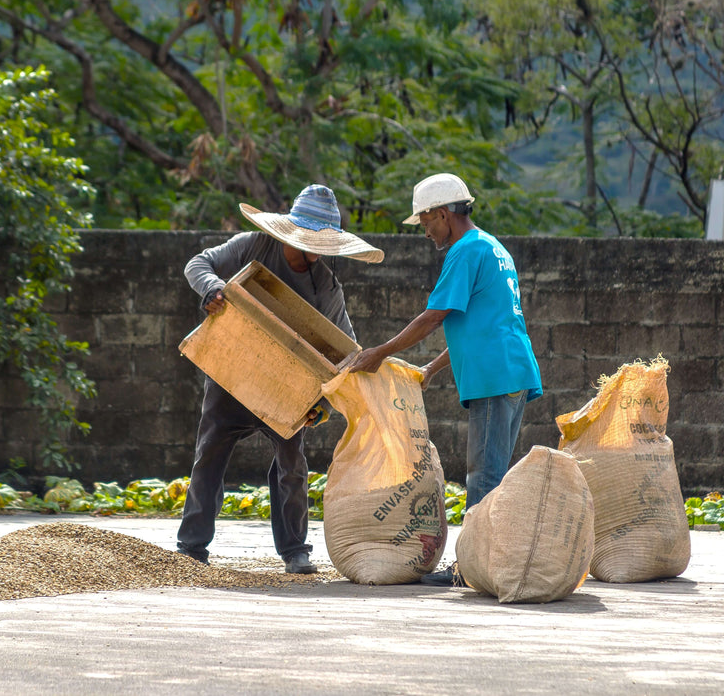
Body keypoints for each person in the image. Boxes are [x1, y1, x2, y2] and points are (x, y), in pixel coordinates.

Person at [178, 184, 384, 574]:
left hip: (286, 389)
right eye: (313, 245)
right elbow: (197, 265)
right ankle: (192, 547)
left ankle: (294, 550)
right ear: (293, 234)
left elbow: (345, 353)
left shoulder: (325, 285)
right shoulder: (253, 246)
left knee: (292, 466)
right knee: (209, 456)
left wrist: (319, 406)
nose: (319, 255)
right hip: (232, 373)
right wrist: (213, 289)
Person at [348, 172, 542, 586]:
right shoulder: (493, 247)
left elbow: (435, 316)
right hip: (512, 369)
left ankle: (471, 570)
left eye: (425, 222)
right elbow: (475, 324)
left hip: (494, 376)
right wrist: (431, 369)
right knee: (495, 473)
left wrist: (379, 353)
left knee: (484, 476)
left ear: (443, 214)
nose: (425, 232)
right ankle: (486, 564)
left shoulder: (465, 251)